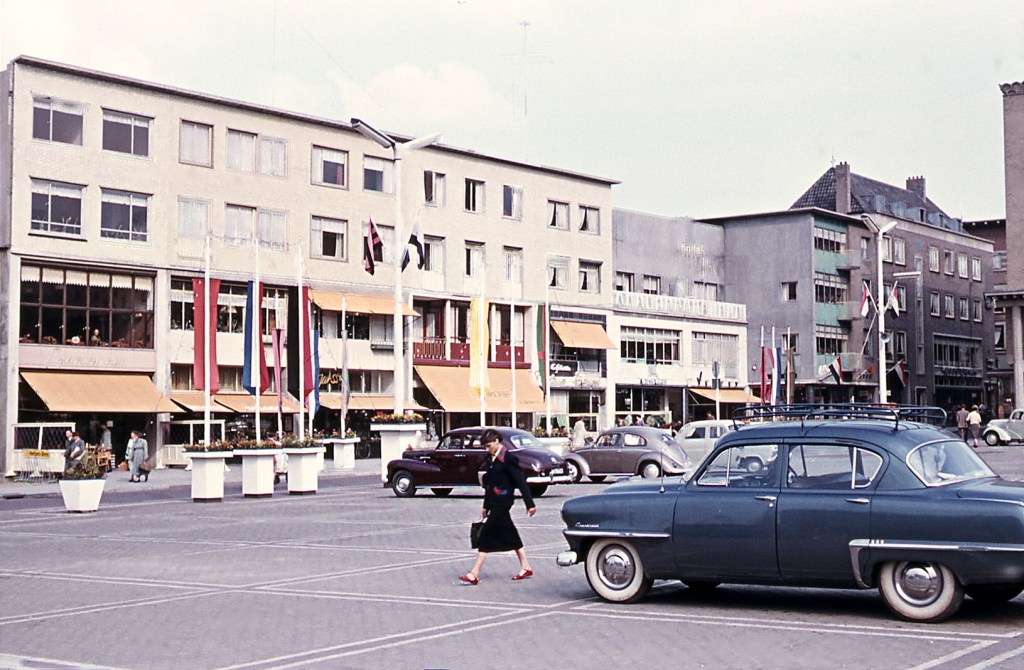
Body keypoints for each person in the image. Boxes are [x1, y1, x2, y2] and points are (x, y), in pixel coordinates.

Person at [459, 429, 536, 585]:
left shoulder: (509, 458)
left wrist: (530, 504)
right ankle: (526, 566)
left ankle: (474, 573)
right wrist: (485, 506)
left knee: (486, 534)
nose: (487, 449)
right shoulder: (490, 458)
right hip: (494, 502)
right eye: (485, 447)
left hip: (504, 501)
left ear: (496, 442)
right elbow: (489, 484)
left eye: (488, 446)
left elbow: (520, 482)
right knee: (511, 534)